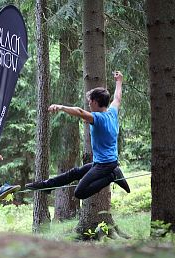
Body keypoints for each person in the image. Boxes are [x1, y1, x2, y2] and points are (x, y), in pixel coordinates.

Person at [25, 71, 130, 199]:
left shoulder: (98, 118)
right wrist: (119, 81)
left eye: (90, 101)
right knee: (75, 173)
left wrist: (61, 107)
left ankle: (113, 176)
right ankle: (48, 185)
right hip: (103, 162)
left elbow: (80, 112)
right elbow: (118, 98)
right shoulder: (112, 112)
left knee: (79, 192)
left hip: (105, 165)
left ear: (96, 102)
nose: (89, 104)